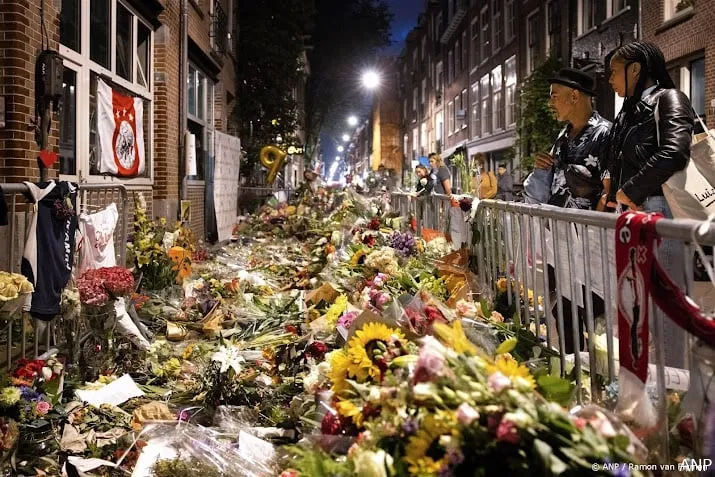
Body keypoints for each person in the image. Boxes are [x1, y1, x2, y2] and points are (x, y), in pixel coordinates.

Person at [606, 41, 694, 367]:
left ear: (636, 69)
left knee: (666, 306)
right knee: (638, 302)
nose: (609, 80)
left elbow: (675, 150)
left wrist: (628, 190)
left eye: (614, 71)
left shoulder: (669, 99)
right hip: (635, 212)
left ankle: (673, 389)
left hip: (659, 208)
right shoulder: (628, 112)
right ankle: (647, 387)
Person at [534, 67, 612, 353]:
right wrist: (544, 166)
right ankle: (572, 367)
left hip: (588, 239)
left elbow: (610, 186)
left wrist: (596, 228)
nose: (551, 102)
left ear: (575, 96)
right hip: (559, 236)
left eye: (555, 96)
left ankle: (598, 375)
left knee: (591, 308)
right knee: (562, 306)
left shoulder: (605, 133)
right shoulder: (563, 135)